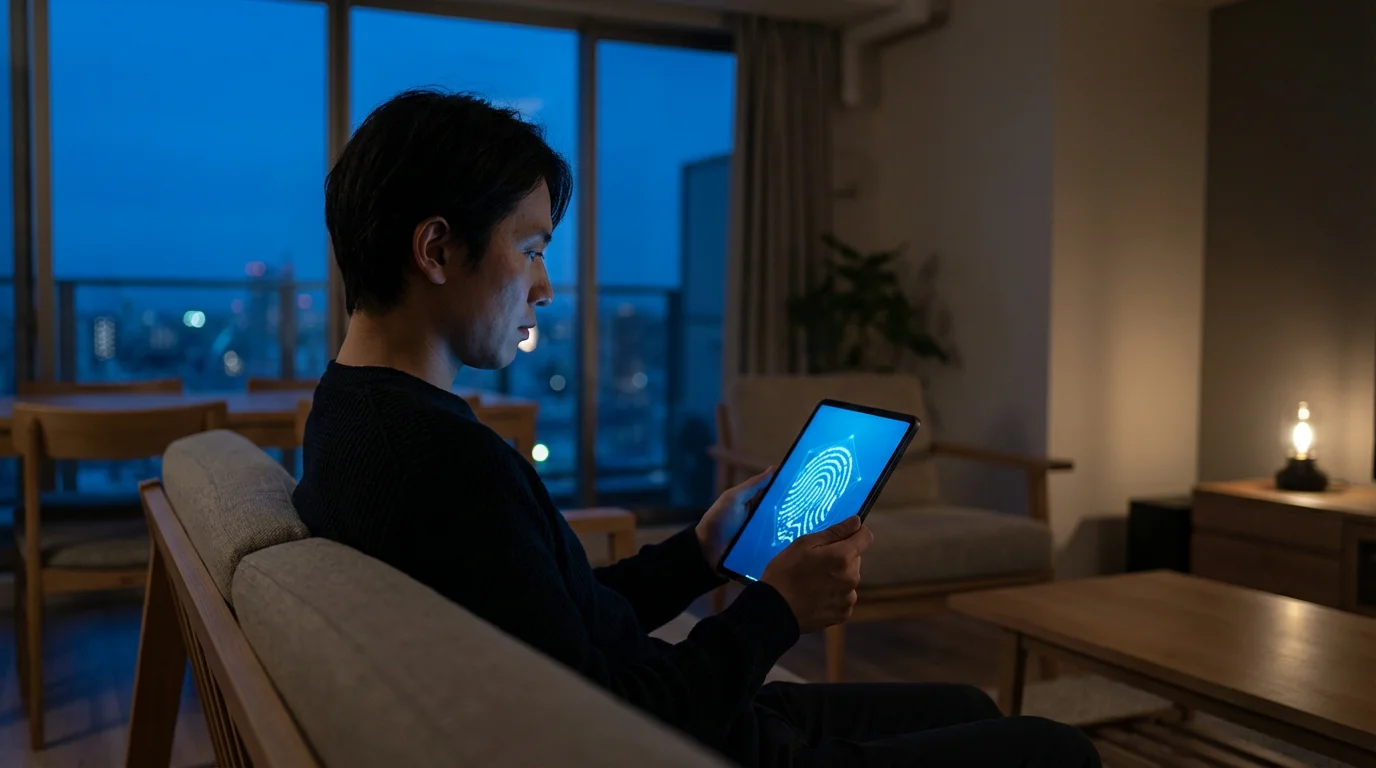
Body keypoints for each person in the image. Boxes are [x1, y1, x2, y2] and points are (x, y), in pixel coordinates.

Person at [294, 87, 1100, 768]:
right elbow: (613, 722)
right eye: (531, 247)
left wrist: (700, 553)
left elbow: (555, 616)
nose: (545, 286)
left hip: (703, 708)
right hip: (697, 737)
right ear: (436, 248)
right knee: (1053, 751)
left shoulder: (350, 416)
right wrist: (778, 609)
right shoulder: (447, 465)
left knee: (967, 701)